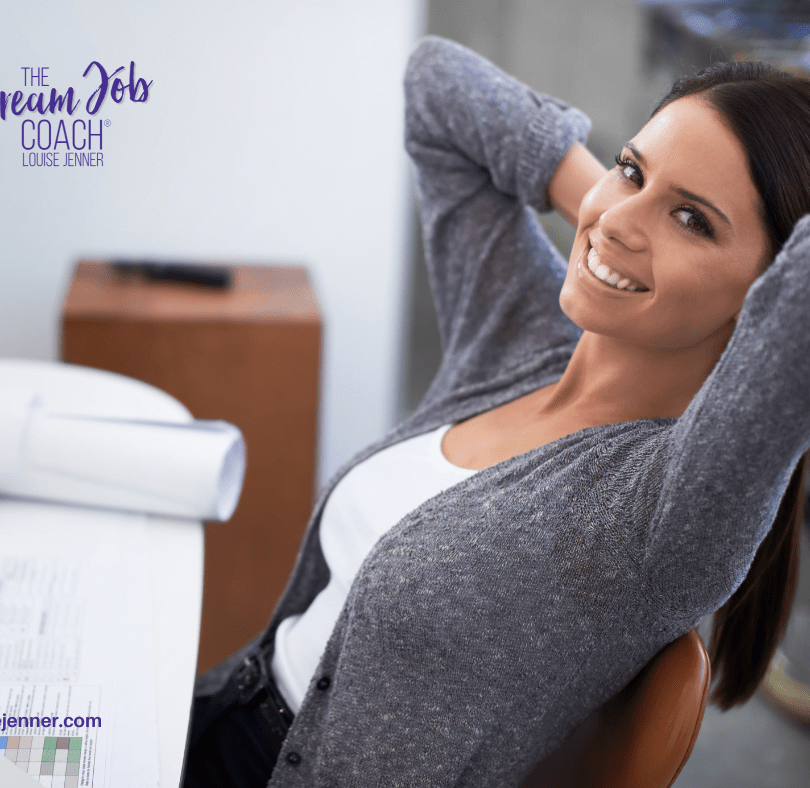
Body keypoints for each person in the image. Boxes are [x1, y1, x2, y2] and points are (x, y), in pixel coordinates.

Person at [182, 36, 810, 788]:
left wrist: (629, 238)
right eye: (632, 167)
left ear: (766, 301)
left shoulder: (667, 516)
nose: (622, 216)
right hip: (210, 715)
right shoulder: (518, 334)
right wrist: (607, 222)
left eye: (693, 221)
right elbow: (436, 84)